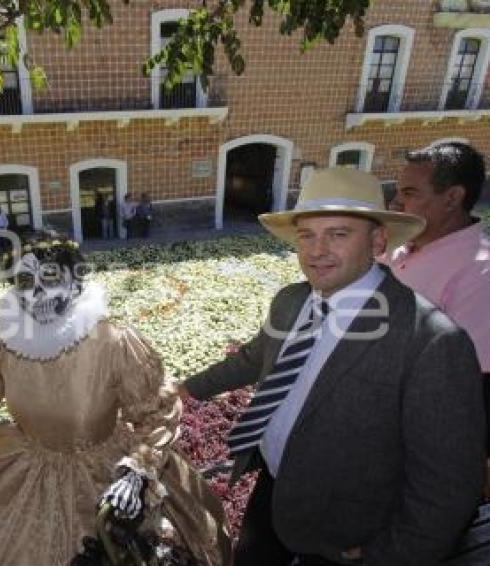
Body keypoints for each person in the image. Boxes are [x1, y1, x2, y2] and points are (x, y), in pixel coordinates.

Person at [182, 167, 485, 565]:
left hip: (347, 533)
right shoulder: (291, 300)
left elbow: (448, 485)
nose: (316, 250)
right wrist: (185, 390)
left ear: (378, 241)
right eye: (306, 235)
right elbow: (256, 357)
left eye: (338, 234)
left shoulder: (432, 343)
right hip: (271, 496)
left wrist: (387, 556)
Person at [0, 232, 231, 566]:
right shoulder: (2, 341)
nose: (38, 291)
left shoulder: (113, 342)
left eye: (51, 277)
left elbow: (157, 410)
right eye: (25, 281)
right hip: (22, 470)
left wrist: (137, 472)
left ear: (76, 281)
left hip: (104, 469)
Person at [381, 141, 490, 496]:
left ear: (452, 197)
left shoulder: (480, 273)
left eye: (410, 193)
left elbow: (467, 388)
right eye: (398, 192)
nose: (397, 203)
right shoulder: (401, 247)